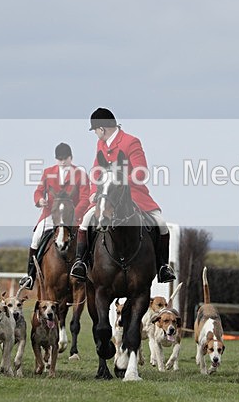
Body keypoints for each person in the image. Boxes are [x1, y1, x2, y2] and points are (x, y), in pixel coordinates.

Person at [69, 108, 176, 283]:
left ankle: (163, 266)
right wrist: (94, 191)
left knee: (161, 224)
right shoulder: (101, 145)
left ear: (102, 129)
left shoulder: (131, 142)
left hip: (132, 193)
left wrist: (118, 181)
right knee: (86, 220)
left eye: (95, 130)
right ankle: (80, 262)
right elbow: (96, 171)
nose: (96, 134)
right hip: (105, 194)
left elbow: (141, 173)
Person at [18, 142, 90, 290]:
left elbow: (85, 197)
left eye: (65, 158)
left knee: (88, 236)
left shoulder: (80, 174)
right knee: (36, 237)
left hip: (73, 216)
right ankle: (30, 275)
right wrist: (40, 200)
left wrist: (74, 214)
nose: (63, 162)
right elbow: (38, 191)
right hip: (51, 214)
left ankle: (87, 269)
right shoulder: (48, 172)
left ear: (71, 158)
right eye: (60, 159)